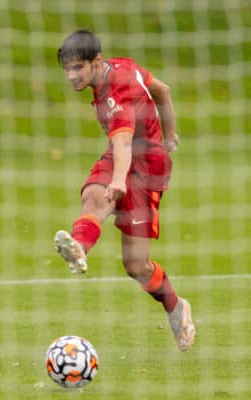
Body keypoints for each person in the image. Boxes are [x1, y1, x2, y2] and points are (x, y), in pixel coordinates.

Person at [53, 30, 195, 351]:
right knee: (92, 196)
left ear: (96, 61)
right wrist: (170, 133)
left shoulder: (116, 91)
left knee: (137, 266)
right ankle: (78, 246)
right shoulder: (123, 66)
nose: (72, 76)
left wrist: (119, 179)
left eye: (78, 68)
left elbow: (123, 141)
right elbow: (163, 90)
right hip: (124, 157)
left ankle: (175, 306)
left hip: (146, 169)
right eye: (68, 70)